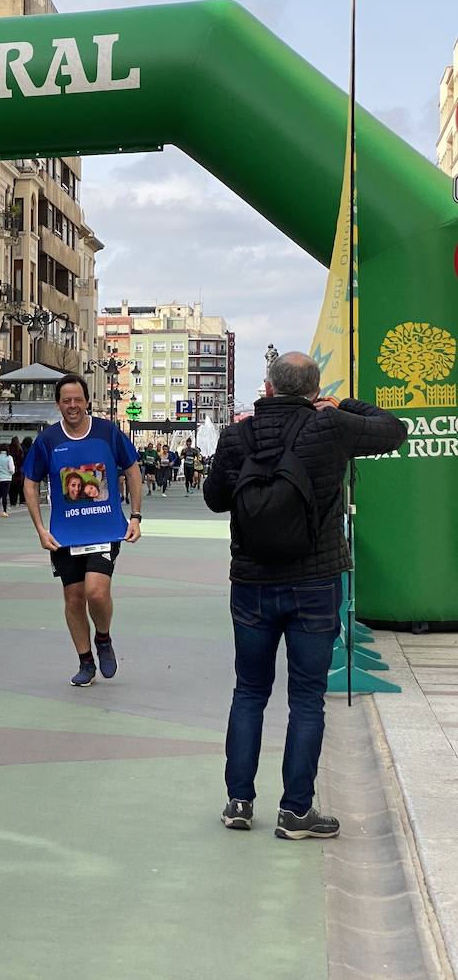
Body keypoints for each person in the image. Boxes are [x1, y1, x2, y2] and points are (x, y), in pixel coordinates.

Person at [205, 352, 405, 839]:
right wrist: (339, 405)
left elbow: (214, 498)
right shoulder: (331, 426)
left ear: (269, 388)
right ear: (313, 391)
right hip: (315, 583)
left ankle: (238, 802)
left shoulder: (238, 434)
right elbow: (393, 428)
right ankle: (296, 811)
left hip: (251, 582)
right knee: (307, 699)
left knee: (249, 691)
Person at [23, 375, 143, 687]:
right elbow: (30, 482)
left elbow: (132, 469)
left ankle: (103, 638)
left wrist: (136, 516)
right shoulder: (48, 440)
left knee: (96, 591)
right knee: (74, 597)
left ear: (87, 401)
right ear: (58, 404)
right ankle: (85, 661)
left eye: (78, 399)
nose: (73, 406)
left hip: (105, 529)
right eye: (66, 400)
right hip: (65, 536)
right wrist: (40, 529)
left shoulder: (107, 432)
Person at [0, 440, 14, 517]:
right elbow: (11, 469)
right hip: (7, 478)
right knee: (5, 495)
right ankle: (4, 511)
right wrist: (10, 472)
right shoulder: (9, 457)